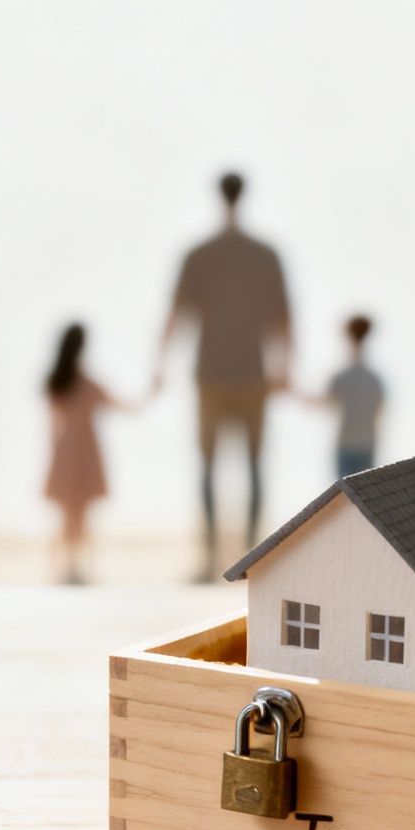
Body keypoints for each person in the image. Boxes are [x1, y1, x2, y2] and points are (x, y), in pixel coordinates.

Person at [152, 171, 292, 579]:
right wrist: (284, 367)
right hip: (252, 374)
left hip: (212, 374)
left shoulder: (199, 254)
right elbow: (284, 318)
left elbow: (177, 314)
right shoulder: (265, 255)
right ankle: (255, 558)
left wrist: (161, 363)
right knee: (254, 465)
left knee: (209, 466)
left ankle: (211, 557)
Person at [43, 321, 144, 584]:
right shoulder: (85, 383)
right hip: (83, 453)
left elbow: (52, 426)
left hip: (66, 452)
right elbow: (123, 406)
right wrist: (149, 394)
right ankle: (73, 569)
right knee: (79, 516)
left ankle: (70, 568)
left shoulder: (57, 381)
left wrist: (55, 457)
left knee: (70, 517)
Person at [323, 314, 385, 477]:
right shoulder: (374, 380)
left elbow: (325, 403)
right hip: (367, 442)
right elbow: (380, 412)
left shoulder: (342, 377)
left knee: (343, 490)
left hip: (346, 443)